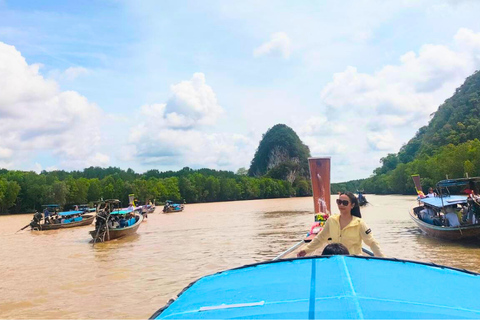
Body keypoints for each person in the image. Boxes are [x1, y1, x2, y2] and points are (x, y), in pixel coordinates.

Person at [297, 192, 384, 257]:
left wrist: (382, 259)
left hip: (354, 259)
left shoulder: (359, 223)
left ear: (352, 205)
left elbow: (372, 242)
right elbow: (320, 238)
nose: (341, 205)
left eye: (345, 203)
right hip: (336, 259)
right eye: (339, 202)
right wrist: (306, 250)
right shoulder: (331, 220)